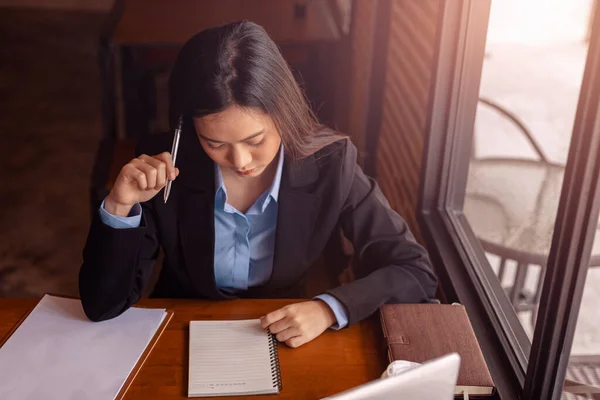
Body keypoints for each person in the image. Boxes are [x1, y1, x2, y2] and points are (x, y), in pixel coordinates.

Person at [79, 21, 437, 348]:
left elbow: (413, 270)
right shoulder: (167, 163)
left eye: (255, 140)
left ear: (283, 113)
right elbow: (102, 306)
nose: (241, 162)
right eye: (215, 144)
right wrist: (119, 205)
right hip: (181, 329)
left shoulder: (332, 163)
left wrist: (329, 308)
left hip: (279, 331)